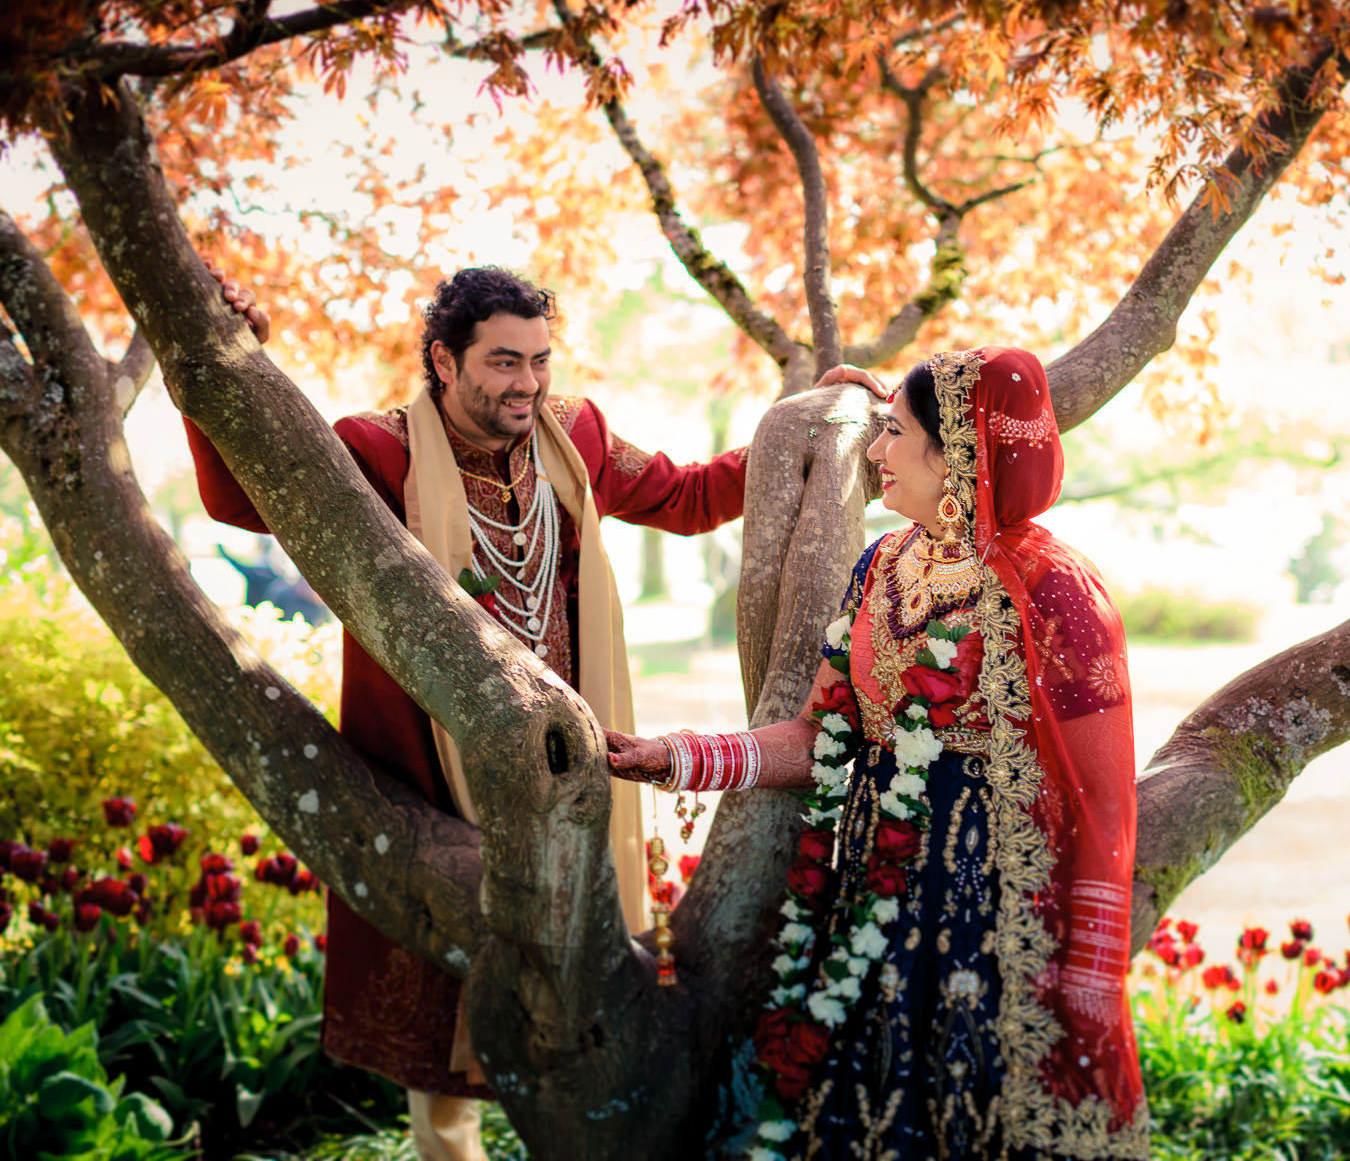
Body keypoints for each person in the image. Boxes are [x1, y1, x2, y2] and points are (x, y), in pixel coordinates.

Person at [187, 266, 883, 1161]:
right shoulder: (377, 450)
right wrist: (208, 372)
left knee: (580, 986)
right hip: (433, 766)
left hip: (570, 768)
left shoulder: (576, 437)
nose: (528, 383)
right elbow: (240, 497)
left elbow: (691, 494)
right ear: (444, 359)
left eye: (540, 361)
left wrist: (804, 420)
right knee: (446, 1009)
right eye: (504, 362)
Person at [608, 346, 1148, 1159]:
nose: (873, 452)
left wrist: (1092, 974)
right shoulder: (879, 567)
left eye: (894, 433)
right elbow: (819, 736)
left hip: (994, 916)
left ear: (956, 450)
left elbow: (1106, 800)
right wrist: (676, 757)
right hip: (870, 891)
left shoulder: (1054, 588)